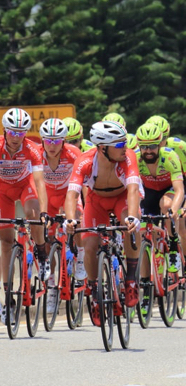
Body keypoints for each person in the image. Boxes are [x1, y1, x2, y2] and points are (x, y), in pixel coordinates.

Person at [64, 121, 142, 325]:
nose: (124, 147)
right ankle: (95, 293)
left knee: (130, 224)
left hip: (122, 197)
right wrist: (70, 219)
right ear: (102, 148)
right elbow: (72, 194)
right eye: (118, 145)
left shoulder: (128, 157)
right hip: (96, 200)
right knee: (89, 245)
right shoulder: (85, 161)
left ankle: (131, 278)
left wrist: (133, 217)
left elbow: (133, 190)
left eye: (124, 143)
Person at [0, 108, 50, 319]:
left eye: (21, 133)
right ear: (5, 130)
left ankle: (42, 253)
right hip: (2, 191)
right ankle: (8, 298)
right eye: (12, 132)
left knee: (33, 213)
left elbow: (40, 181)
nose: (16, 137)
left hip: (25, 186)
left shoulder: (32, 149)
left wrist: (43, 212)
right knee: (6, 243)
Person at [39, 118, 85, 313]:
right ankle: (51, 287)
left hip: (69, 194)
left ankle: (81, 258)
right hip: (48, 197)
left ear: (64, 141)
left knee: (79, 219)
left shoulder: (74, 153)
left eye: (57, 141)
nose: (52, 145)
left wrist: (87, 205)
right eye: (48, 140)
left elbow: (85, 180)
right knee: (46, 238)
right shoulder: (37, 154)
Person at [135, 122, 185, 273]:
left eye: (152, 146)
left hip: (168, 189)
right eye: (144, 146)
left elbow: (179, 189)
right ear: (139, 146)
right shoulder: (135, 159)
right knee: (142, 232)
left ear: (160, 145)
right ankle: (145, 283)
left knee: (166, 205)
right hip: (148, 192)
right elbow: (133, 189)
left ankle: (173, 246)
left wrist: (174, 210)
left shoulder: (170, 156)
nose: (148, 150)